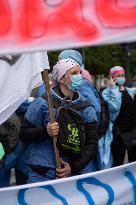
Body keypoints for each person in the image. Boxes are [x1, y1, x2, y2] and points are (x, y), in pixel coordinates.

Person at [19, 58, 99, 183]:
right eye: (74, 73)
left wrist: (73, 167)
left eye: (80, 73)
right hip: (41, 174)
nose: (79, 76)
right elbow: (23, 134)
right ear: (61, 78)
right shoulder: (43, 103)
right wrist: (45, 131)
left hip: (72, 176)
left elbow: (92, 144)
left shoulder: (87, 108)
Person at [100, 66, 136, 168]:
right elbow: (115, 107)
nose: (121, 78)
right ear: (112, 78)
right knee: (117, 164)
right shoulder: (106, 93)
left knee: (133, 163)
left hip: (132, 132)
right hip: (117, 134)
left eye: (123, 75)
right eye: (118, 76)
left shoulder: (129, 91)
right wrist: (113, 88)